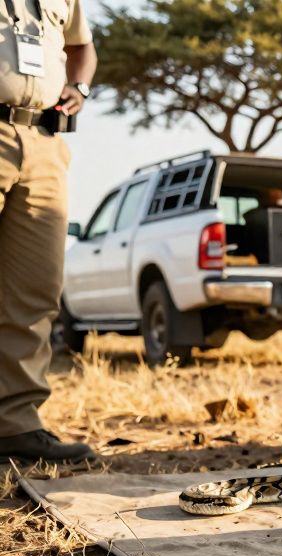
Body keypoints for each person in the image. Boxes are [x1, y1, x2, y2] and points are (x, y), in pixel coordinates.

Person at [0, 0, 97, 465]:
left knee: (34, 289)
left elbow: (82, 48)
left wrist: (79, 85)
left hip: (44, 141)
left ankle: (15, 424)